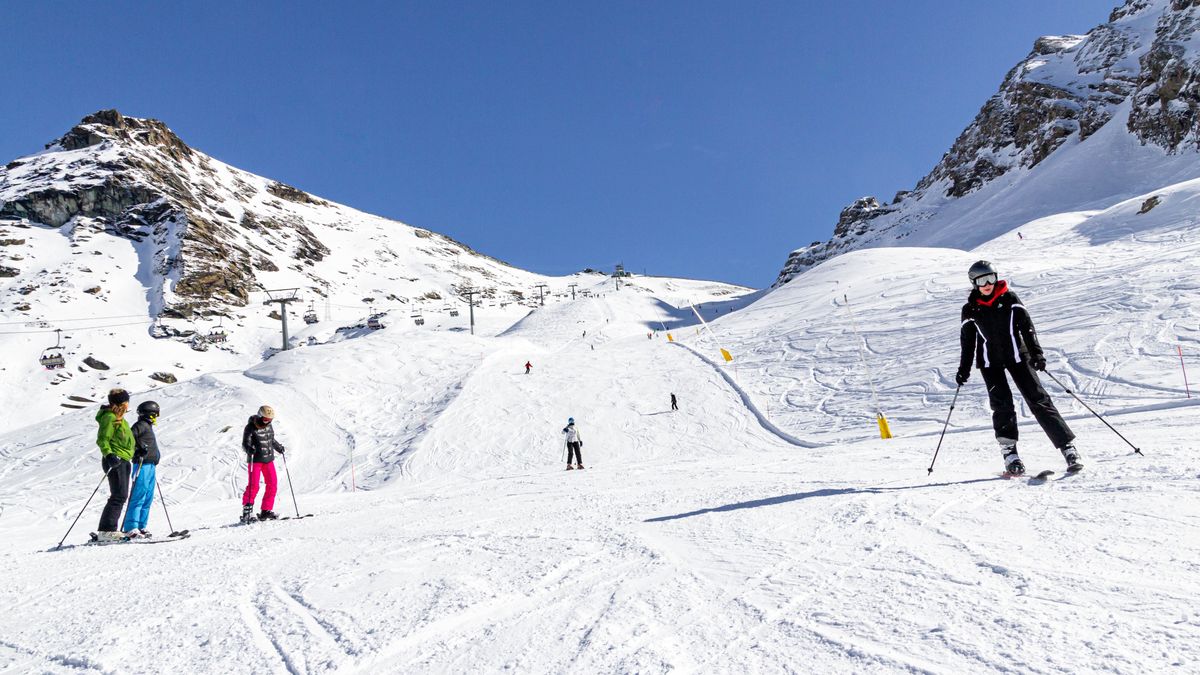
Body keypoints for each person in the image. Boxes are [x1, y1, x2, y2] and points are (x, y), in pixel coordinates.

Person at [956, 260, 1081, 475]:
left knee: (1039, 399)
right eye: (981, 281)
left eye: (990, 279)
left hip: (1018, 357)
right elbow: (968, 343)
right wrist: (963, 370)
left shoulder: (1010, 299)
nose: (987, 284)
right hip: (990, 363)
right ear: (974, 283)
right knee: (1002, 405)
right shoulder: (970, 309)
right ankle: (1010, 455)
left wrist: (1037, 355)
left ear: (996, 278)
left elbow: (1027, 328)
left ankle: (1068, 448)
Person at [94, 388, 135, 541]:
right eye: (126, 402)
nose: (128, 405)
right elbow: (102, 439)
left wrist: (137, 450)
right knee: (118, 495)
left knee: (121, 495)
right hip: (115, 459)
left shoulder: (121, 420)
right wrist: (109, 454)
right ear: (121, 403)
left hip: (123, 459)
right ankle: (107, 531)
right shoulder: (109, 417)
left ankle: (109, 530)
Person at [122, 400, 161, 537]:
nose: (156, 417)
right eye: (155, 414)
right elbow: (128, 440)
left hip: (150, 465)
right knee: (138, 495)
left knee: (147, 497)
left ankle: (141, 526)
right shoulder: (140, 425)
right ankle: (131, 527)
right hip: (141, 464)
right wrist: (137, 451)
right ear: (149, 414)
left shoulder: (147, 426)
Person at [241, 405, 286, 522]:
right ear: (260, 416)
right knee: (254, 486)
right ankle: (247, 513)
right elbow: (245, 444)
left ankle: (266, 511)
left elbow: (271, 440)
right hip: (255, 460)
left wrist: (279, 447)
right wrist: (249, 449)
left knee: (272, 484)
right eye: (266, 419)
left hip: (268, 460)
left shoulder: (269, 426)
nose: (268, 422)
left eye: (270, 420)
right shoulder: (250, 427)